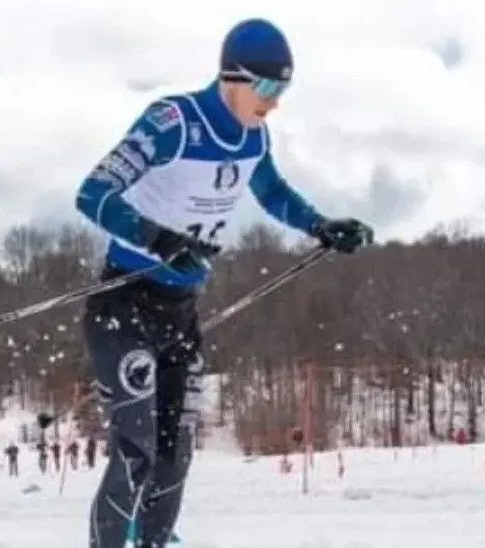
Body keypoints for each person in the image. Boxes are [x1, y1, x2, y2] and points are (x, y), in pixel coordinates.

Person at [74, 18, 374, 548]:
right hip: (123, 304)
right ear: (232, 78)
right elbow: (93, 193)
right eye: (267, 88)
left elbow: (273, 191)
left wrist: (321, 226)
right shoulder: (172, 121)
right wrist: (157, 239)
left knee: (174, 455)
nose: (274, 102)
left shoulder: (254, 136)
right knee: (135, 448)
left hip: (179, 315)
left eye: (284, 90)